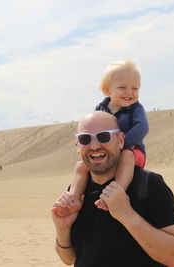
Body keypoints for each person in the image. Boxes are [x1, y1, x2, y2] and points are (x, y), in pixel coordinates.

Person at [51, 111, 174, 266]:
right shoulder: (77, 192)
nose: (94, 146)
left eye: (104, 136)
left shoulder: (148, 184)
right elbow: (70, 259)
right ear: (78, 145)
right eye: (85, 139)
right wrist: (62, 229)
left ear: (120, 140)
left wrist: (126, 214)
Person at [56, 60, 149, 214]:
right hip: (107, 151)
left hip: (133, 151)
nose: (129, 92)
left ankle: (116, 193)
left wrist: (120, 146)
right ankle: (73, 197)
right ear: (107, 90)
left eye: (135, 88)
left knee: (126, 156)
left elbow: (142, 128)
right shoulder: (101, 108)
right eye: (122, 87)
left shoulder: (136, 109)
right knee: (81, 165)